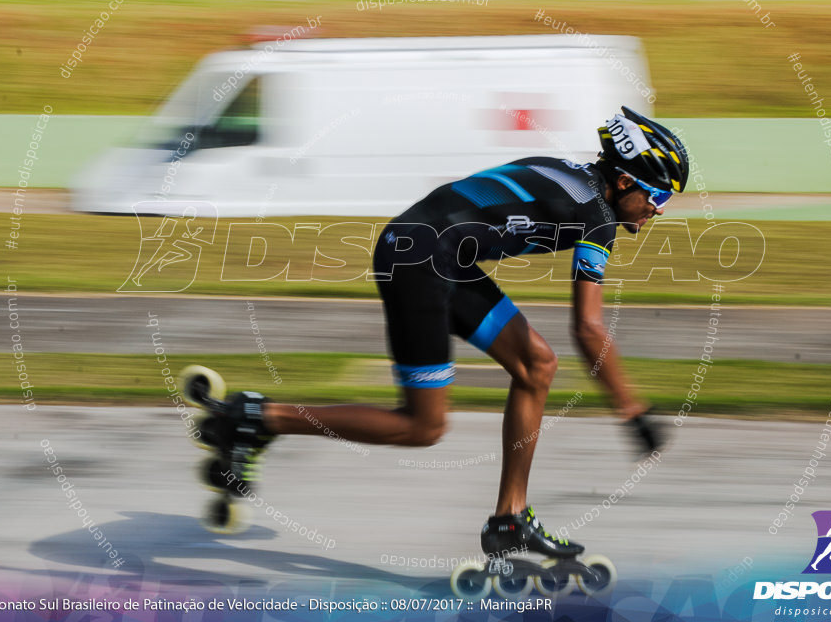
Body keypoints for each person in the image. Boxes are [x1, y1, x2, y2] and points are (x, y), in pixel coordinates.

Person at [183, 105, 689, 558]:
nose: (659, 209)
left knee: (537, 364)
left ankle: (510, 519)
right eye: (658, 194)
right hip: (423, 260)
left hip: (434, 251)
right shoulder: (596, 217)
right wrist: (633, 411)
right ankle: (256, 418)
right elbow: (588, 327)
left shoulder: (566, 171)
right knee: (423, 426)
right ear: (624, 181)